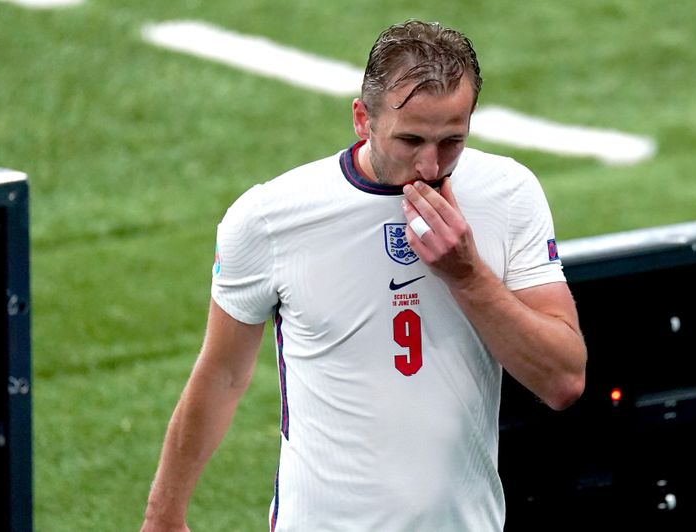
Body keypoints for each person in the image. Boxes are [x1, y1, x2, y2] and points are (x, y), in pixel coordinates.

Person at [142, 19, 586, 532]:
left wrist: (468, 277)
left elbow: (563, 380)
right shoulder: (269, 218)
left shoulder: (508, 194)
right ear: (362, 119)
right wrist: (163, 515)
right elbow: (222, 374)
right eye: (410, 139)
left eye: (451, 141)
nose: (429, 166)